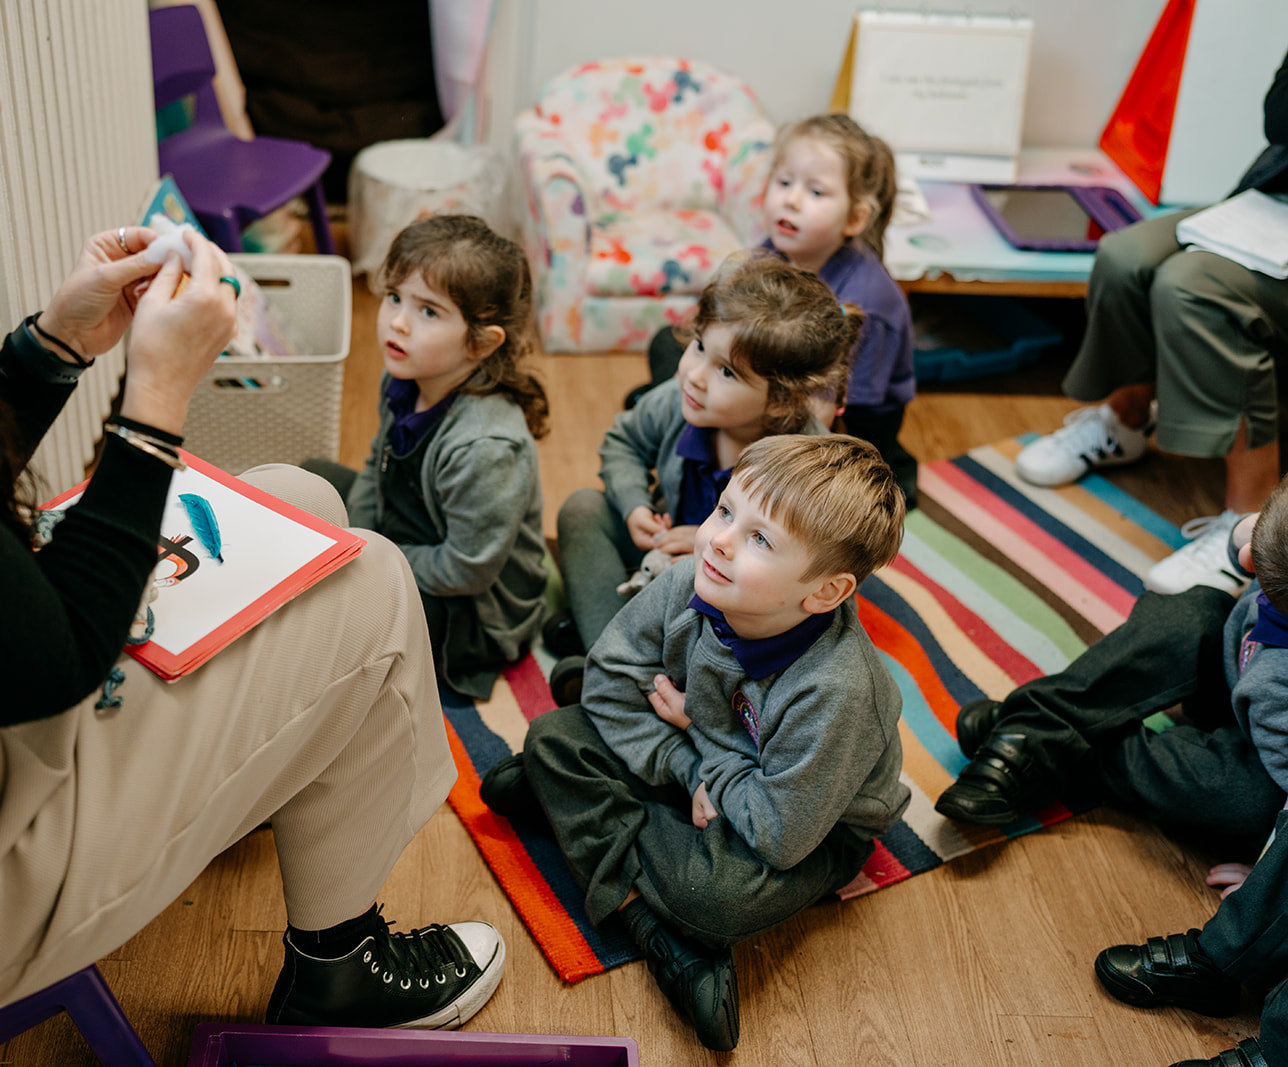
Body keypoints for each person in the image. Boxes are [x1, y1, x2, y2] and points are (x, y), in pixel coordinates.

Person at [0, 0, 504, 1029]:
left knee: (296, 498)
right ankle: (338, 965)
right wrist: (154, 396)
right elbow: (61, 651)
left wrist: (54, 344)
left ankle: (276, 777)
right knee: (371, 572)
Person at [484, 434, 909, 1050]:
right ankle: (654, 925)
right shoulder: (692, 578)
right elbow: (607, 683)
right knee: (554, 737)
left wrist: (702, 735)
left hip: (811, 826)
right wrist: (692, 769)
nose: (720, 540)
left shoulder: (838, 691)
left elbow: (777, 834)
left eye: (761, 540)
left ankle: (580, 819)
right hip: (715, 773)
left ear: (824, 592)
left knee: (715, 900)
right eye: (725, 510)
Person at [937, 481, 1288, 1067]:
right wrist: (1239, 539)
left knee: (1234, 795)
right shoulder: (1265, 544)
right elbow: (1214, 559)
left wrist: (1266, 873)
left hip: (1265, 767)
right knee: (1181, 617)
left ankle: (1045, 745)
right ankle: (1040, 725)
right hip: (1234, 680)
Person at [1010, 48, 1288, 598]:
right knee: (1124, 257)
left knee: (1192, 285)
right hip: (1271, 201)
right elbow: (1277, 119)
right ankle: (1124, 423)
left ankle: (1252, 525)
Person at [544, 252, 859, 704]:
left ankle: (630, 667)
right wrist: (635, 505)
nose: (693, 376)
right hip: (664, 554)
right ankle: (608, 657)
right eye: (697, 346)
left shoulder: (806, 467)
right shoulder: (680, 400)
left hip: (736, 587)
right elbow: (624, 442)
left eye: (726, 372)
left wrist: (714, 543)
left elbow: (818, 570)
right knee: (582, 509)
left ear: (780, 401)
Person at [303, 214, 549, 701]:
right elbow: (377, 464)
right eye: (395, 296)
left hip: (471, 610)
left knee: (355, 622)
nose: (397, 321)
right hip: (410, 537)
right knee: (312, 480)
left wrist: (367, 558)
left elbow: (466, 570)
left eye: (429, 311)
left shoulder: (484, 446)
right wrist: (359, 539)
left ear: (481, 342)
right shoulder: (403, 377)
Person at [631, 114, 917, 508]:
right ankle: (674, 412)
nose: (791, 200)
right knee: (668, 343)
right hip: (768, 381)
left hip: (845, 420)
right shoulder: (774, 250)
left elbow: (826, 415)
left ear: (855, 218)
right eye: (784, 182)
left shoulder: (870, 301)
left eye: (815, 192)